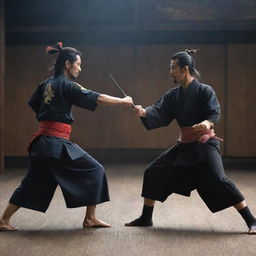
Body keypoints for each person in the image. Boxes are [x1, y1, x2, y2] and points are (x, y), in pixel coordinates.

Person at [0, 42, 133, 231]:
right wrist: (124, 101)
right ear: (68, 65)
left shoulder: (46, 84)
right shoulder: (66, 84)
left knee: (31, 182)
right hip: (54, 143)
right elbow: (98, 98)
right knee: (95, 170)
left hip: (42, 142)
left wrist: (51, 118)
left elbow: (35, 105)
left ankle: (3, 219)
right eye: (78, 64)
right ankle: (90, 218)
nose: (80, 68)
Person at [125, 49, 256, 234]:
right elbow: (160, 111)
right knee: (153, 172)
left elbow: (213, 112)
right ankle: (146, 217)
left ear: (184, 69)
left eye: (173, 68)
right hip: (184, 146)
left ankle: (252, 220)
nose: (170, 72)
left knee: (219, 180)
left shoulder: (204, 90)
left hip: (204, 144)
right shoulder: (174, 94)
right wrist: (144, 112)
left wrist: (206, 123)